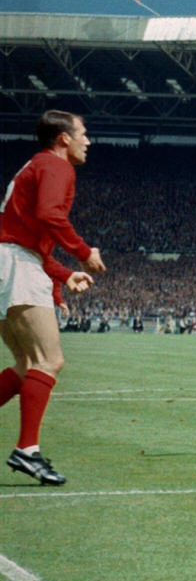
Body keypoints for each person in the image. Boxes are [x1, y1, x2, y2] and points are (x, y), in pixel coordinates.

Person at [0, 110, 103, 485]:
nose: (87, 140)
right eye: (83, 133)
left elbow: (26, 234)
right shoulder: (57, 167)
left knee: (27, 365)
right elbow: (48, 216)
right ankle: (27, 451)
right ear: (63, 138)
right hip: (15, 264)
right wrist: (82, 252)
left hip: (9, 261)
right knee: (48, 360)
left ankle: (27, 449)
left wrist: (60, 275)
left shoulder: (36, 166)